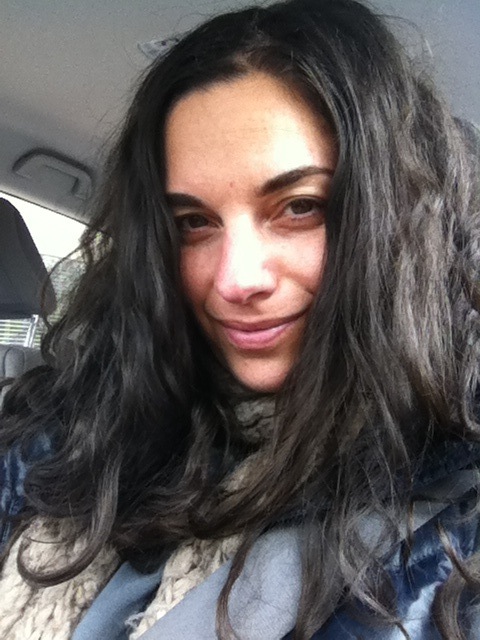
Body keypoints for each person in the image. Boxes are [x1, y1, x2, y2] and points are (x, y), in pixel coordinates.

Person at [1, 0, 480, 638]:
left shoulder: (455, 530)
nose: (234, 280)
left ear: (400, 218)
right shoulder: (67, 428)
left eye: (300, 206)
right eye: (193, 222)